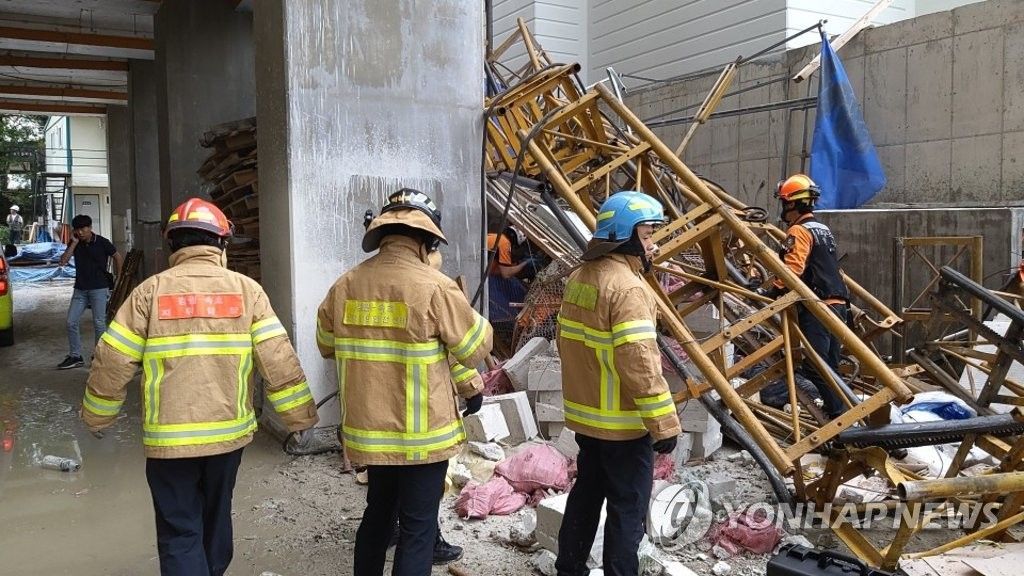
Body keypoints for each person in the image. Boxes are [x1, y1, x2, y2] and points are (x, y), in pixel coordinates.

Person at [81, 198, 318, 576]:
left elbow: (112, 360)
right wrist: (299, 417)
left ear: (172, 244)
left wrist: (98, 416)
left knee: (179, 531)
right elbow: (278, 358)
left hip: (169, 440)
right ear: (221, 243)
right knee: (216, 515)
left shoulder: (148, 293)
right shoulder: (248, 291)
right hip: (227, 436)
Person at [317, 188, 492, 576]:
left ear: (381, 234)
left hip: (371, 433)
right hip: (422, 437)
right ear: (428, 241)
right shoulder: (436, 287)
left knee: (378, 514)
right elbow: (474, 348)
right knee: (417, 527)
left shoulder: (344, 285)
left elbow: (326, 345)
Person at [555, 191, 681, 576]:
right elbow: (640, 363)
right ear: (626, 236)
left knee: (586, 494)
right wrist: (664, 424)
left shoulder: (579, 278)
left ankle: (569, 569)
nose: (653, 244)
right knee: (627, 509)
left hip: (587, 419)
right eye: (647, 234)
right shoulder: (628, 289)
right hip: (623, 426)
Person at [761, 174, 850, 419]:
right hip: (838, 304)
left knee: (814, 365)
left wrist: (772, 291)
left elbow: (793, 269)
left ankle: (839, 413)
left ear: (791, 204)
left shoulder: (798, 231)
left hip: (818, 306)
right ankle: (842, 410)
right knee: (829, 365)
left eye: (783, 202)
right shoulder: (823, 229)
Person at [57, 214, 123, 369]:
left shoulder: (102, 242)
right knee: (71, 321)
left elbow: (117, 256)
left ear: (90, 228)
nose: (80, 232)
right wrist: (73, 243)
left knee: (99, 322)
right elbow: (63, 261)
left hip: (99, 288)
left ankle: (99, 355)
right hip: (80, 289)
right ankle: (75, 356)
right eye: (77, 229)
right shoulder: (75, 243)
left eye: (83, 228)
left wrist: (119, 277)